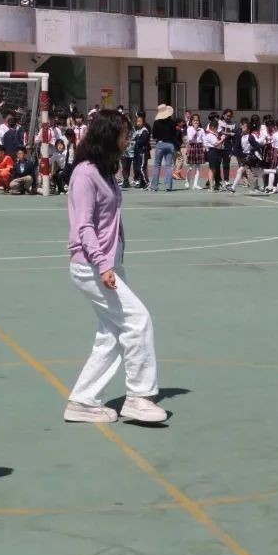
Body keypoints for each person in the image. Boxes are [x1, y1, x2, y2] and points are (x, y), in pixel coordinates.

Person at [63, 111, 168, 424]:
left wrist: (113, 262)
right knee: (138, 321)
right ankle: (138, 396)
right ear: (109, 136)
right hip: (93, 266)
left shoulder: (105, 171)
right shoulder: (85, 173)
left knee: (111, 334)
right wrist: (102, 264)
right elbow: (84, 225)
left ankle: (82, 401)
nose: (129, 138)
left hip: (109, 264)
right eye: (124, 133)